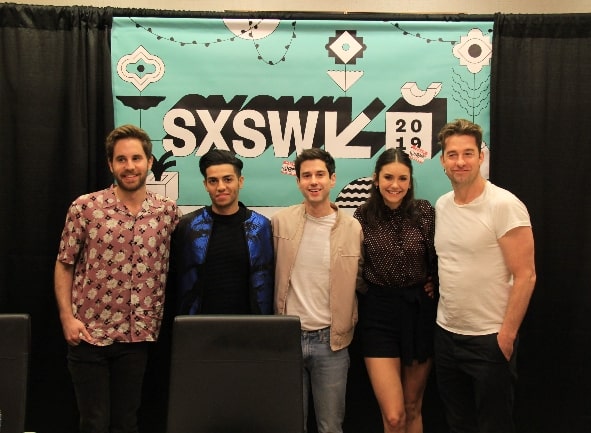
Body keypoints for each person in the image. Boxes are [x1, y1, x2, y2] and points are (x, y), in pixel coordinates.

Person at [54, 124, 181, 433]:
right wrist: (67, 318)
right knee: (94, 423)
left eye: (136, 158)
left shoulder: (167, 212)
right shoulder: (85, 207)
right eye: (121, 159)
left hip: (138, 337)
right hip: (88, 333)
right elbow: (64, 264)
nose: (129, 166)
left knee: (127, 421)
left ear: (150, 162)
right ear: (110, 164)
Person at [434, 118, 536, 433]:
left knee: (495, 426)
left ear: (481, 157)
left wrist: (505, 337)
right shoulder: (442, 205)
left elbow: (526, 275)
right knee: (457, 424)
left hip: (490, 340)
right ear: (443, 162)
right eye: (453, 155)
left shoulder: (504, 205)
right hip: (447, 335)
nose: (460, 161)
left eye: (468, 153)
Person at [272, 148, 363, 433]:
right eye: (307, 175)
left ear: (332, 179)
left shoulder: (352, 228)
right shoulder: (279, 223)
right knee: (289, 424)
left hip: (332, 344)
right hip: (287, 339)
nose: (314, 181)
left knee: (330, 427)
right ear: (298, 181)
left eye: (320, 175)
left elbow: (362, 280)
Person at [353, 148, 437, 433]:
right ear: (376, 179)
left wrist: (434, 281)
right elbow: (355, 267)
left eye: (403, 178)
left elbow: (441, 257)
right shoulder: (361, 216)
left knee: (413, 408)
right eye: (388, 177)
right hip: (378, 315)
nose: (395, 185)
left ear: (410, 181)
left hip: (418, 311)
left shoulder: (425, 212)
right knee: (393, 416)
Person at [170, 149, 274, 315]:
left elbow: (269, 283)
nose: (221, 187)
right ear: (205, 185)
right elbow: (174, 283)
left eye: (228, 179)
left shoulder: (262, 227)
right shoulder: (188, 227)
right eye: (213, 181)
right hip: (198, 329)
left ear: (240, 181)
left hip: (250, 330)